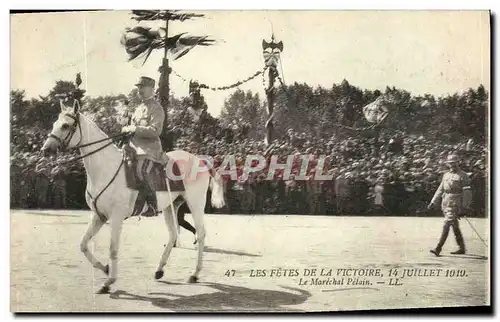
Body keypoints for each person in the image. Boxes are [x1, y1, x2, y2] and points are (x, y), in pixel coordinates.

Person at [122, 76, 165, 217]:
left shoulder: (156, 108)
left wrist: (134, 129)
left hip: (149, 150)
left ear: (152, 89)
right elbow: (131, 129)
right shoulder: (138, 108)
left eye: (143, 87)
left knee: (142, 170)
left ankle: (152, 205)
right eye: (138, 87)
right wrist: (125, 129)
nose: (139, 89)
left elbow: (155, 131)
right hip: (133, 148)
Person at [427, 154, 472, 256]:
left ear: (458, 162)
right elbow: (440, 189)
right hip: (446, 202)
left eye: (454, 163)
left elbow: (467, 193)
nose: (452, 165)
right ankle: (462, 248)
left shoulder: (463, 175)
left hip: (457, 203)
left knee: (447, 224)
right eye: (450, 163)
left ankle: (438, 248)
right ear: (447, 164)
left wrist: (465, 207)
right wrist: (433, 201)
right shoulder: (446, 175)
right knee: (454, 225)